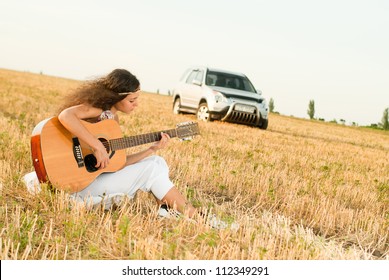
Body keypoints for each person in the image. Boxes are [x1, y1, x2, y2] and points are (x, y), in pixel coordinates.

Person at [57, 68, 196, 218]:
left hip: (94, 179)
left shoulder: (112, 122)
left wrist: (151, 149)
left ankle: (165, 209)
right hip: (81, 184)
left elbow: (118, 164)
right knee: (151, 169)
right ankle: (195, 215)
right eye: (132, 100)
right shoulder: (97, 110)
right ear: (116, 97)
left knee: (157, 161)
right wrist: (97, 146)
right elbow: (66, 116)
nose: (136, 104)